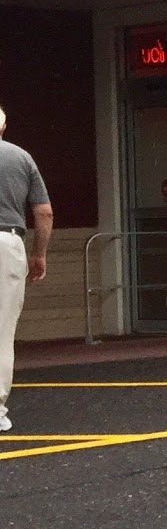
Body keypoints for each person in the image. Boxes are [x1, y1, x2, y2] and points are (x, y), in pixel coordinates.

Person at [0, 107, 53, 433]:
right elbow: (44, 212)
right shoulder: (21, 158)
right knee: (2, 331)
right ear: (4, 125)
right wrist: (39, 254)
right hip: (7, 244)